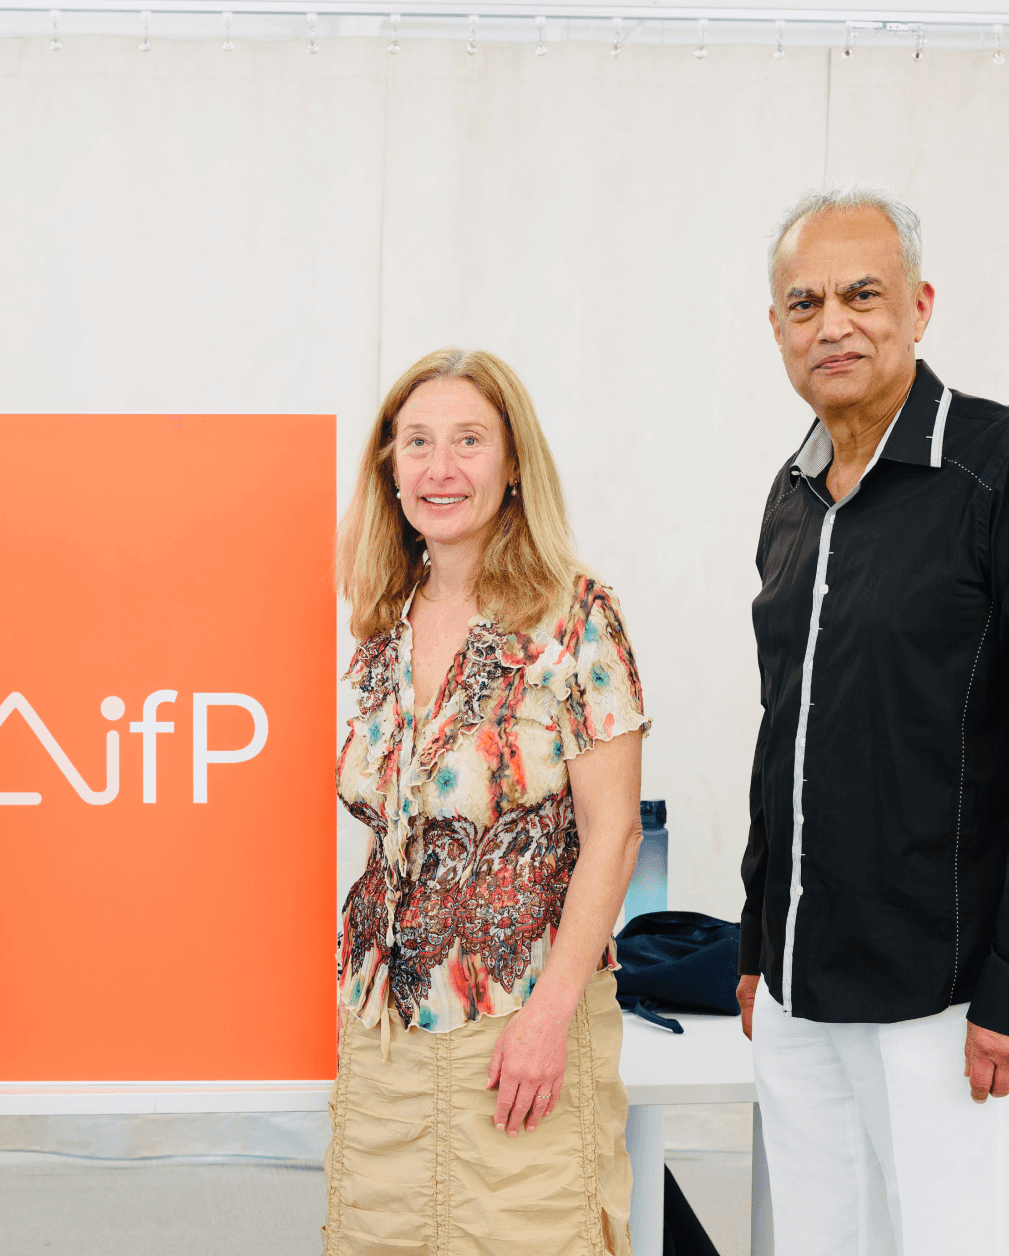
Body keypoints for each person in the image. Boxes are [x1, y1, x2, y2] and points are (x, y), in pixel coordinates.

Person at [740, 185, 1009, 1256]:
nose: (833, 325)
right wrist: (759, 941)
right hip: (800, 995)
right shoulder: (792, 495)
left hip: (946, 1004)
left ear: (919, 305)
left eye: (862, 295)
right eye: (804, 304)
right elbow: (783, 736)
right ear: (777, 327)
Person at [324, 348, 650, 1256]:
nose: (441, 467)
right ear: (390, 469)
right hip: (384, 1036)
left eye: (469, 441)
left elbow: (615, 834)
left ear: (512, 466)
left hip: (521, 1030)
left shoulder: (575, 617)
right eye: (417, 443)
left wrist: (549, 1019)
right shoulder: (382, 620)